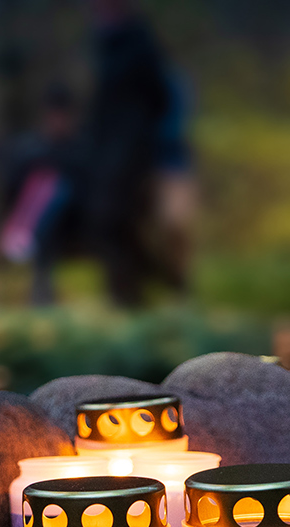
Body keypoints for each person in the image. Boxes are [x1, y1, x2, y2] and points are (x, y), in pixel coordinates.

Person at [83, 0, 176, 308]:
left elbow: (159, 96)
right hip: (107, 151)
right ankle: (129, 293)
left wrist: (139, 136)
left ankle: (146, 286)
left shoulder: (138, 43)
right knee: (107, 222)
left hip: (132, 152)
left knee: (120, 219)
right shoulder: (105, 45)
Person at [1, 84, 84, 304]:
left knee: (57, 189)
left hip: (71, 221)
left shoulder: (79, 149)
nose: (56, 121)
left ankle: (22, 239)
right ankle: (21, 236)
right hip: (32, 216)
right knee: (41, 185)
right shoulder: (30, 149)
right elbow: (11, 189)